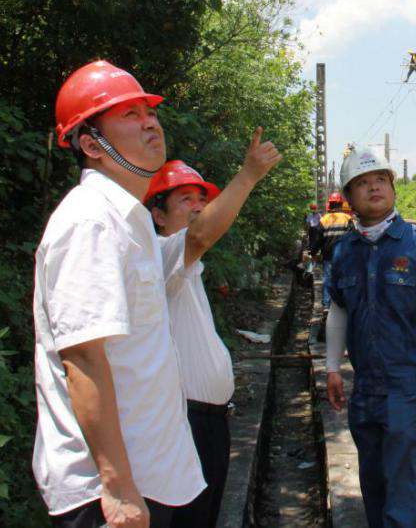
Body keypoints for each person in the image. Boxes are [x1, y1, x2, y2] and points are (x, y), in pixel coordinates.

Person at [33, 60, 203, 528]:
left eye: (149, 112)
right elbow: (83, 360)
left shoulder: (130, 222)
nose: (150, 122)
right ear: (92, 144)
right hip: (109, 495)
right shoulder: (90, 221)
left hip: (150, 475)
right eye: (128, 115)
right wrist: (118, 488)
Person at [324, 147, 416, 528]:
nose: (374, 188)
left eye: (380, 180)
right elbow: (338, 311)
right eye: (363, 183)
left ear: (393, 188)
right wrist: (333, 368)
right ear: (349, 197)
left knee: (401, 486)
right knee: (373, 481)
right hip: (364, 387)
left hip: (408, 387)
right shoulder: (344, 252)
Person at [145, 146, 281, 528]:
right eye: (185, 199)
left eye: (201, 199)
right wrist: (249, 175)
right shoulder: (158, 255)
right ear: (158, 215)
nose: (198, 206)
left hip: (207, 424)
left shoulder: (186, 268)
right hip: (185, 424)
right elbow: (201, 235)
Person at [318, 190, 354, 337]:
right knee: (345, 281)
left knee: (328, 281)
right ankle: (345, 305)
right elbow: (353, 237)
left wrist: (314, 252)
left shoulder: (324, 220)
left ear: (330, 204)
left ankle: (327, 308)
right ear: (340, 203)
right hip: (345, 257)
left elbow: (317, 239)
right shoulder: (347, 218)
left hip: (328, 257)